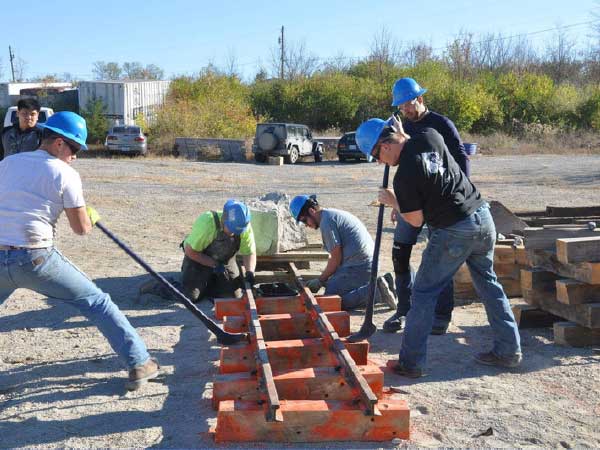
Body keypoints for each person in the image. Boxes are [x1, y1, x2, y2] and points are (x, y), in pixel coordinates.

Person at [0, 111, 158, 390]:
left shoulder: (8, 163)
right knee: (98, 303)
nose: (75, 156)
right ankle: (139, 362)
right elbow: (81, 229)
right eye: (74, 148)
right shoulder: (65, 174)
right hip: (35, 257)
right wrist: (89, 215)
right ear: (59, 143)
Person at [356, 118, 521, 377]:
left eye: (375, 155)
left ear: (385, 145)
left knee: (423, 293)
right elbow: (419, 150)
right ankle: (509, 351)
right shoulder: (430, 135)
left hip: (454, 230)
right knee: (489, 286)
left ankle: (410, 364)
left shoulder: (404, 178)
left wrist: (393, 202)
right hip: (483, 218)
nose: (379, 162)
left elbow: (415, 220)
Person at [384, 78, 471, 335]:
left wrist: (458, 196)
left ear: (419, 99)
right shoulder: (404, 126)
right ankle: (404, 309)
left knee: (439, 259)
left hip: (440, 204)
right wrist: (397, 202)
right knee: (400, 253)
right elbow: (400, 162)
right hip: (411, 201)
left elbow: (461, 159)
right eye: (400, 107)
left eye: (407, 105)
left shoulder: (441, 125)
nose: (405, 111)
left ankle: (441, 315)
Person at [289, 194, 397, 311]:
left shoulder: (327, 223)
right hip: (363, 263)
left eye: (304, 220)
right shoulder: (329, 215)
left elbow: (336, 259)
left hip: (361, 266)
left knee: (331, 301)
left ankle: (377, 292)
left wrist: (320, 280)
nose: (306, 225)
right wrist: (326, 279)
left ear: (311, 211)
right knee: (332, 287)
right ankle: (384, 283)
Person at [181, 199, 257, 302]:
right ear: (223, 219)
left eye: (236, 232)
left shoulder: (243, 226)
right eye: (231, 229)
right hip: (198, 259)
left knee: (233, 297)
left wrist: (250, 273)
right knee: (190, 297)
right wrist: (215, 264)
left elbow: (249, 252)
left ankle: (210, 282)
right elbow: (190, 251)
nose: (233, 234)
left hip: (225, 261)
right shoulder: (207, 222)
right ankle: (157, 285)